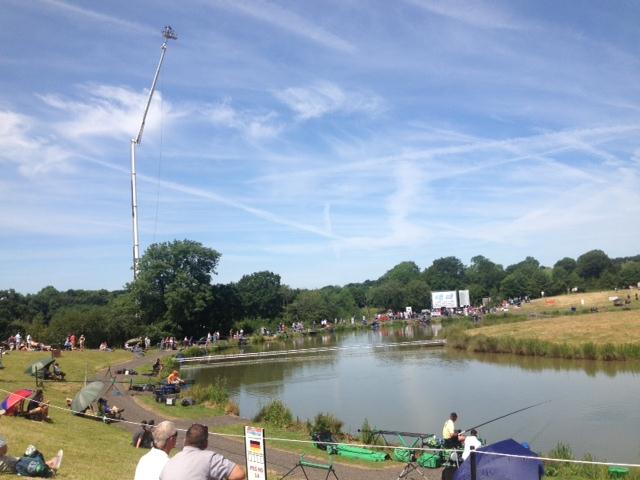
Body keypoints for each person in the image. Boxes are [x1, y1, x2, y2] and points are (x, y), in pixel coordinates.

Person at [160, 423, 245, 480]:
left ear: (184, 440)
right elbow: (239, 474)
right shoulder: (209, 458)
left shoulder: (170, 462)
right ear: (206, 444)